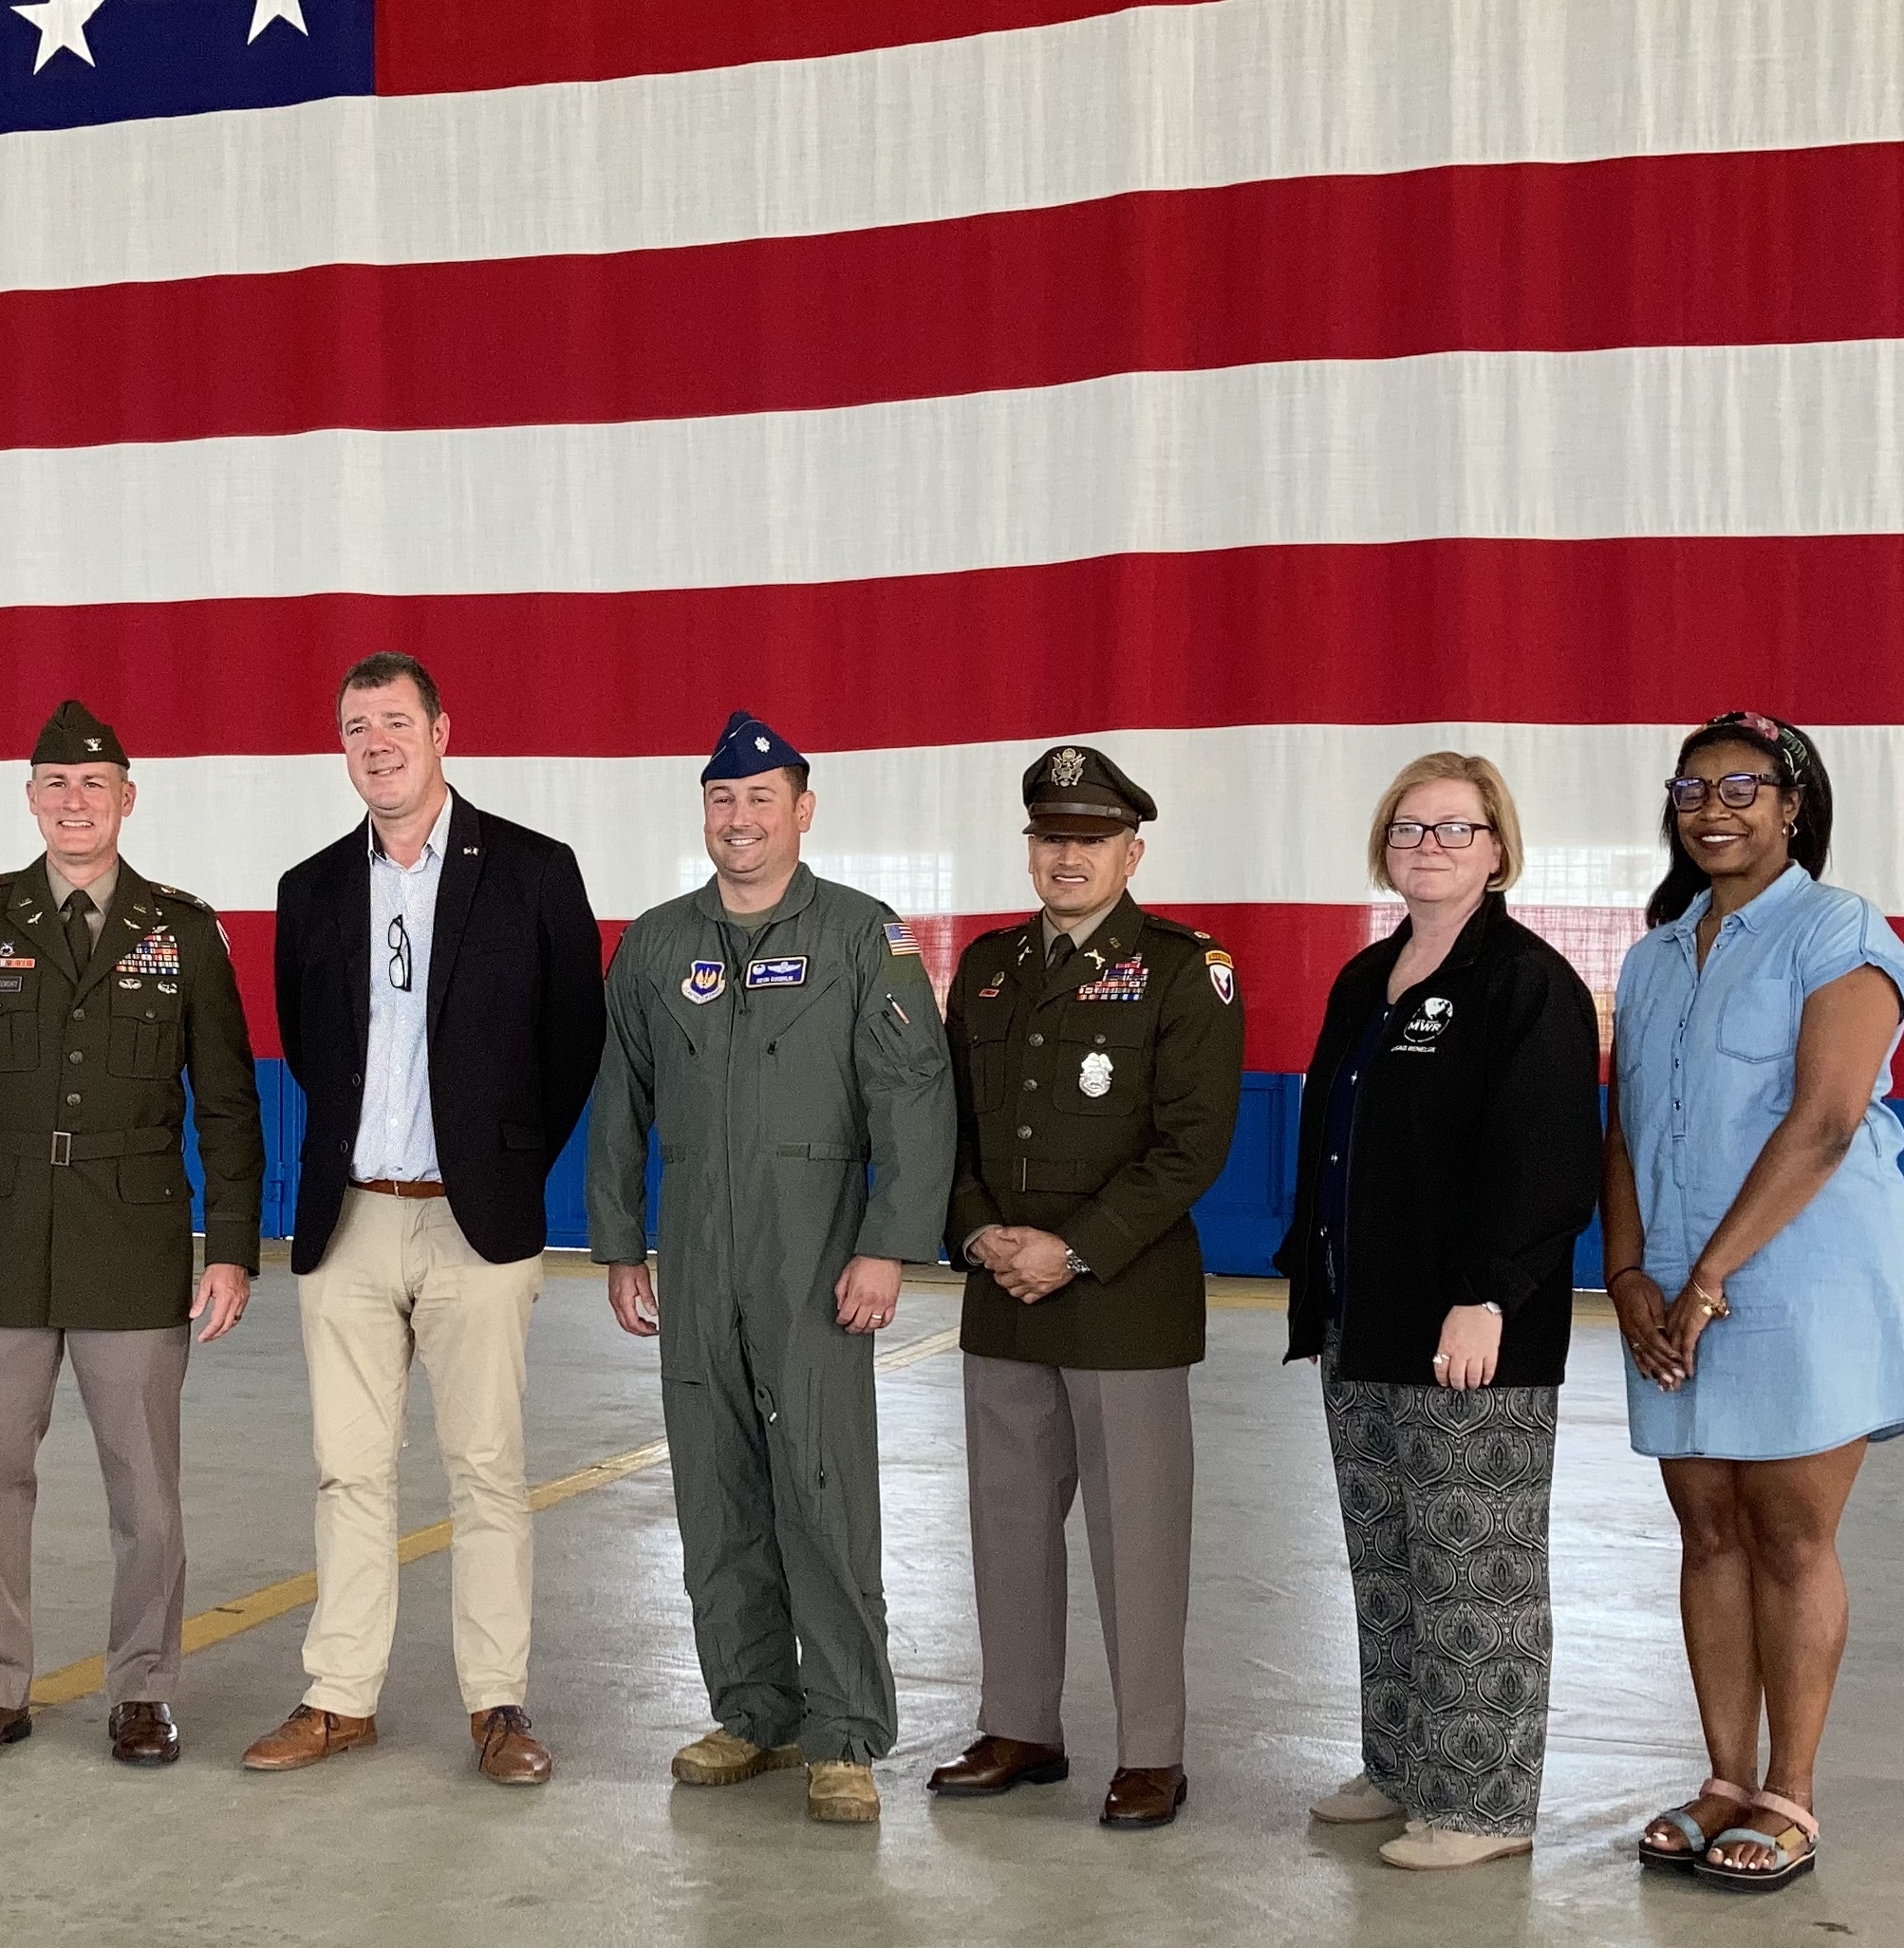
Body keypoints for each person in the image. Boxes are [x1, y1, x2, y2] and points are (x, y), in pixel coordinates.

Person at [0, 700, 265, 1772]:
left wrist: (229, 1244)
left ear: (126, 800)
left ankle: (145, 1690)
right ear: (31, 797)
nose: (74, 802)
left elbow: (228, 1103)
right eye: (55, 784)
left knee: (146, 1491)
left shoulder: (180, 930)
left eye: (94, 786)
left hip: (134, 1246)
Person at [584, 711, 958, 1825]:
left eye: (761, 800)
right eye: (721, 800)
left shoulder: (860, 935)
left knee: (823, 1490)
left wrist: (888, 1242)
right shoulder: (656, 943)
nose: (738, 820)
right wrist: (616, 1243)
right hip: (698, 1255)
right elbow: (620, 1102)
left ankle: (843, 1732)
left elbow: (914, 1096)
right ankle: (754, 1710)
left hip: (815, 1259)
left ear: (802, 810)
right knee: (714, 1489)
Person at [247, 653, 606, 1786]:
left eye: (396, 722)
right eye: (356, 728)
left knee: (487, 1469)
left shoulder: (535, 872)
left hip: (477, 1223)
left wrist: (500, 1166)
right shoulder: (309, 889)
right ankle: (339, 1696)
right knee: (348, 1471)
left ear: (443, 730)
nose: (377, 745)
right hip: (349, 1219)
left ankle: (497, 1706)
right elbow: (312, 1050)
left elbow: (573, 1042)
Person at [1606, 712, 1904, 1894]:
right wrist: (1631, 1275)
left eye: (1747, 786)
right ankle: (1723, 1779)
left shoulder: (1839, 931)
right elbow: (1626, 1132)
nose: (1716, 808)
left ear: (1795, 808)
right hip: (1673, 1285)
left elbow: (1827, 1120)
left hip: (1798, 1280)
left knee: (1791, 1533)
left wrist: (1708, 1277)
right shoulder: (1651, 954)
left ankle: (1790, 1793)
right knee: (1709, 1532)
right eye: (1694, 788)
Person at [1273, 753, 1600, 1867]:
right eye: (1410, 827)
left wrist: (1488, 1296)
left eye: (1457, 830)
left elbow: (1550, 1164)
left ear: (1498, 850)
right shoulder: (1366, 980)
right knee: (1388, 1558)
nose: (1430, 846)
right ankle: (1401, 1762)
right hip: (1361, 1317)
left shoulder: (1527, 983)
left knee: (1476, 1569)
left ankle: (1479, 1807)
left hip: (1471, 1331)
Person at [925, 744, 1241, 1830]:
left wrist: (1072, 1248)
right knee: (1008, 1520)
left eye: (1091, 838)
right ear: (1029, 847)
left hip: (1122, 1297)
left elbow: (1191, 1147)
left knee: (1137, 1530)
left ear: (1132, 850)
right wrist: (977, 1235)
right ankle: (1021, 1725)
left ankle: (1152, 1748)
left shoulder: (1183, 968)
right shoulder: (987, 967)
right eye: (1051, 835)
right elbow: (950, 1127)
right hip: (1001, 1293)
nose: (1068, 855)